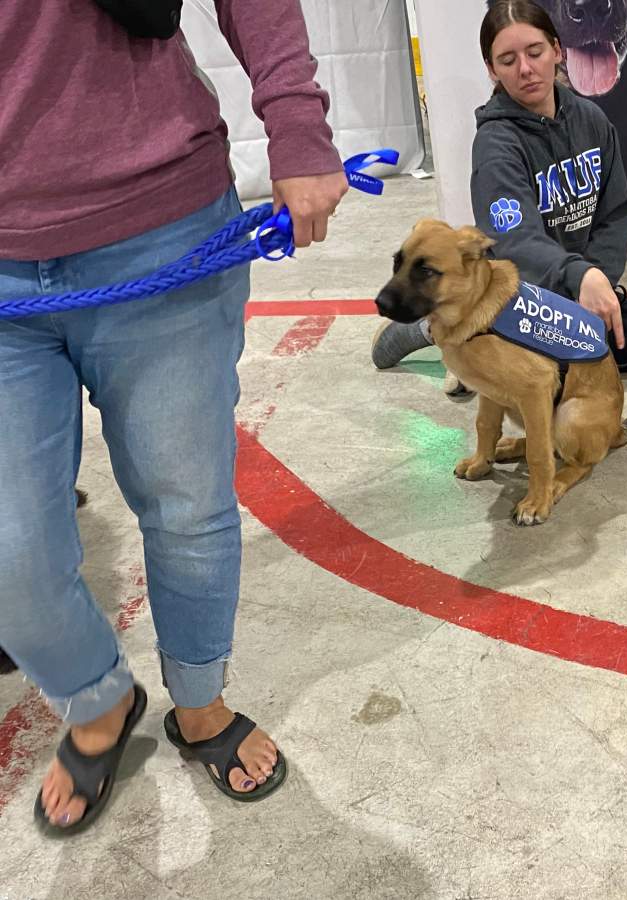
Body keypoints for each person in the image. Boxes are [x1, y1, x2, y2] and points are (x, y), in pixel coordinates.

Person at [0, 1, 347, 833]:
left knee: (186, 506)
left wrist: (296, 122)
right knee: (9, 548)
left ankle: (199, 702)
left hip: (159, 221)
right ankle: (97, 698)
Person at [372, 0, 627, 383]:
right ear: (491, 69)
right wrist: (578, 276)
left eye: (535, 52)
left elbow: (614, 214)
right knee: (553, 372)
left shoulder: (592, 120)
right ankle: (439, 331)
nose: (526, 69)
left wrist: (597, 277)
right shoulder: (496, 143)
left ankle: (488, 347)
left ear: (557, 50)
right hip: (519, 293)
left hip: (575, 282)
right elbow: (515, 241)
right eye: (508, 60)